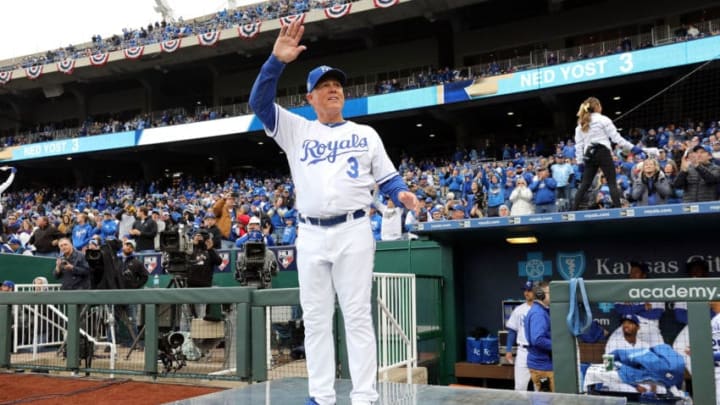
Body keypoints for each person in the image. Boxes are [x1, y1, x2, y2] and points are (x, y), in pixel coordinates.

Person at [248, 18, 418, 405]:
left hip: (354, 230)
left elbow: (389, 180)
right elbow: (259, 103)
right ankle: (321, 397)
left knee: (357, 316)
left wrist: (403, 194)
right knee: (316, 319)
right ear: (310, 98)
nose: (333, 90)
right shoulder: (296, 129)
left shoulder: (364, 133)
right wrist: (275, 61)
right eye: (324, 87)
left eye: (337, 86)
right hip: (309, 234)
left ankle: (364, 397)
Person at [572, 97, 643, 210]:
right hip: (602, 152)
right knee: (611, 182)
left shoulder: (580, 125)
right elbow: (616, 138)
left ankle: (572, 210)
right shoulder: (604, 119)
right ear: (598, 106)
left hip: (589, 155)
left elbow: (579, 146)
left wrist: (580, 163)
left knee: (585, 184)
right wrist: (632, 148)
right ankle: (619, 210)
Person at [505, 281, 535, 391]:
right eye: (525, 290)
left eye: (529, 290)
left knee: (542, 388)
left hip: (539, 352)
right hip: (523, 352)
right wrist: (508, 351)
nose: (526, 293)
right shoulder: (518, 310)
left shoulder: (543, 309)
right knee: (520, 388)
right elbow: (512, 331)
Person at [525, 281, 553, 392]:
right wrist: (558, 347)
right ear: (541, 295)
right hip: (542, 366)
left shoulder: (541, 311)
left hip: (542, 364)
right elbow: (538, 340)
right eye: (550, 292)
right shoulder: (539, 313)